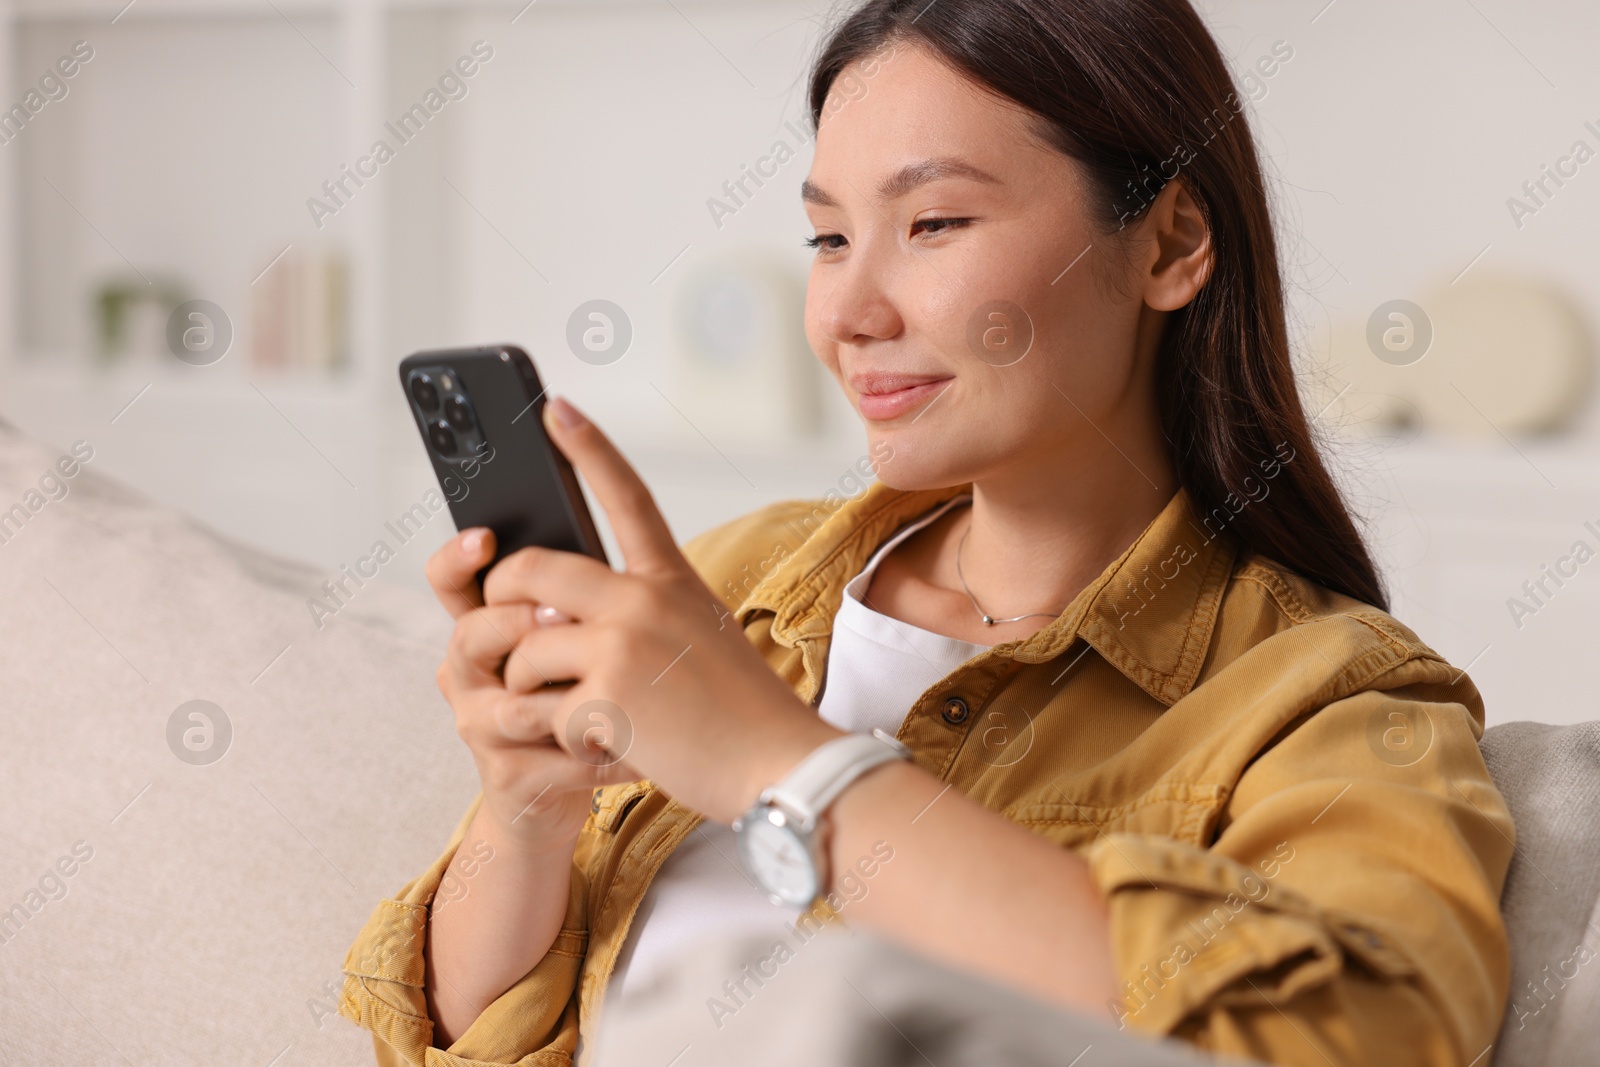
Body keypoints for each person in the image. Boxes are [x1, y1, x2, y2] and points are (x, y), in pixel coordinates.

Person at [337, 1, 1514, 1065]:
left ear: (1167, 245)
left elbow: (1371, 1034)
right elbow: (450, 1036)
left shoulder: (1329, 702)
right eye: (829, 239)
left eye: (935, 222)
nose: (850, 313)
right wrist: (527, 813)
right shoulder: (740, 580)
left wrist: (783, 765)